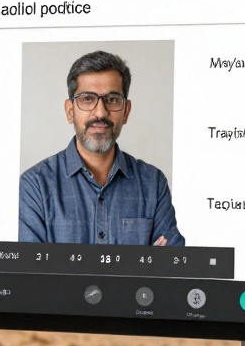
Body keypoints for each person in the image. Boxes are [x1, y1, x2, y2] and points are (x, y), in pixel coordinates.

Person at [18, 51, 183, 246]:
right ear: (70, 111)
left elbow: (169, 270)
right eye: (87, 99)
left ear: (126, 111)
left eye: (112, 99)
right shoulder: (35, 186)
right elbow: (30, 274)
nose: (100, 112)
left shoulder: (153, 184)